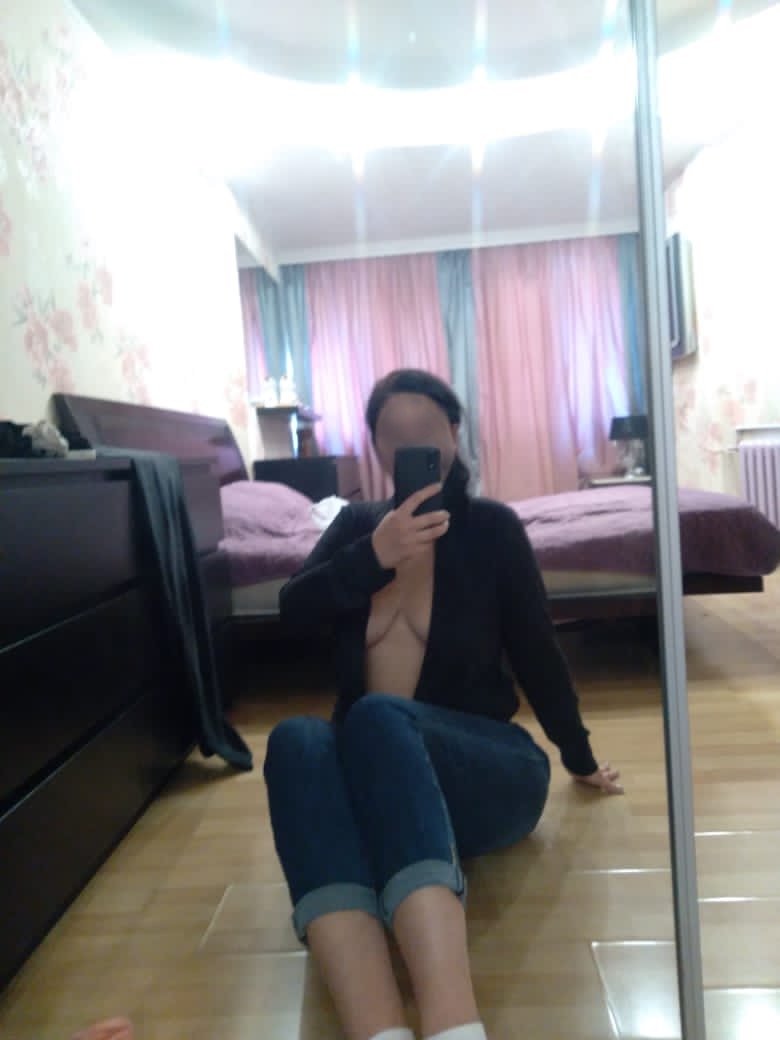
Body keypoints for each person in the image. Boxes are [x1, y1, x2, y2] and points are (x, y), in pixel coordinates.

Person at [264, 369, 624, 1040]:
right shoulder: (356, 528)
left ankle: (456, 1025)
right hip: (376, 779)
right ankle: (378, 1030)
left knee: (376, 717)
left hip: (485, 769)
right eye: (393, 435)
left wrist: (578, 757)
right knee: (296, 741)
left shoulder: (492, 529)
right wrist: (373, 556)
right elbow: (291, 610)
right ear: (375, 447)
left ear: (454, 436)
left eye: (426, 431)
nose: (410, 445)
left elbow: (538, 653)